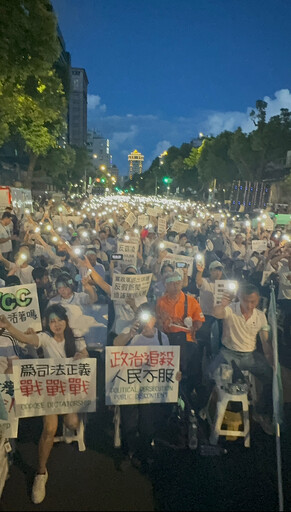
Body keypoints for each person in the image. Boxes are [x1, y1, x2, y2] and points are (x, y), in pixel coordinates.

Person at [0, 304, 89, 504]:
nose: (56, 324)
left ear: (66, 320)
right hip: (50, 391)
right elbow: (27, 339)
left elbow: (87, 358)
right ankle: (41, 474)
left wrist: (83, 355)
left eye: (59, 320)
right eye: (52, 321)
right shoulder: (46, 339)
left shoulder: (76, 338)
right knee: (50, 428)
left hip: (70, 390)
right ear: (47, 324)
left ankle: (77, 421)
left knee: (72, 423)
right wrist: (9, 327)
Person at [211, 282, 274, 434]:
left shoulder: (260, 317)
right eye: (247, 301)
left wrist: (271, 360)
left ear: (258, 300)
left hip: (250, 355)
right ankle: (205, 410)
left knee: (270, 378)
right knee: (210, 374)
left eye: (254, 301)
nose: (250, 305)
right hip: (229, 352)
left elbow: (265, 342)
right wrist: (222, 304)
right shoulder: (231, 309)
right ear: (240, 298)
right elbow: (217, 313)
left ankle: (261, 411)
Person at [156, 271, 205, 393]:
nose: (175, 286)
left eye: (178, 283)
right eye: (172, 283)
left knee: (191, 370)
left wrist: (194, 326)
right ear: (165, 285)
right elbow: (157, 323)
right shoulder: (161, 302)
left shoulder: (191, 301)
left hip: (187, 340)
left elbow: (199, 320)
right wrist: (163, 322)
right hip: (168, 340)